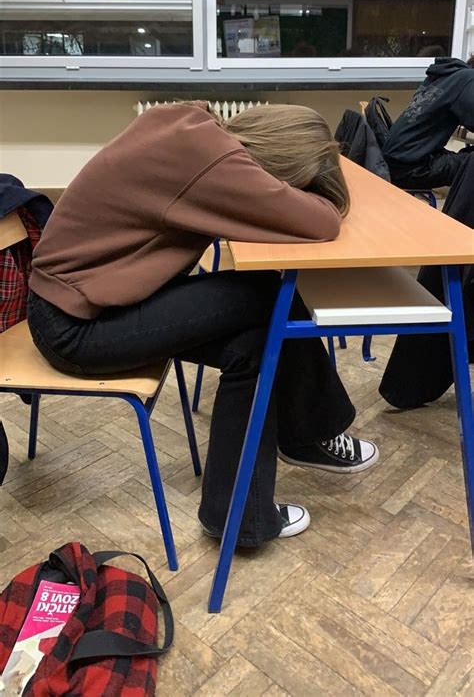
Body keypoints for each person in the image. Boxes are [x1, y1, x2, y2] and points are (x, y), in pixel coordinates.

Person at [27, 101, 378, 547]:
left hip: (89, 302)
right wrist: (313, 192)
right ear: (280, 165)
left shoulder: (188, 127)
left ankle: (238, 514)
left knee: (254, 344)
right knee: (269, 295)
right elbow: (321, 221)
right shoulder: (216, 165)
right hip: (76, 327)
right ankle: (307, 437)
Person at [383, 55, 474, 190]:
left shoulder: (445, 76)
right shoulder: (468, 79)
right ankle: (459, 211)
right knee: (471, 164)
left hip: (392, 161)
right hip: (410, 168)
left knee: (467, 158)